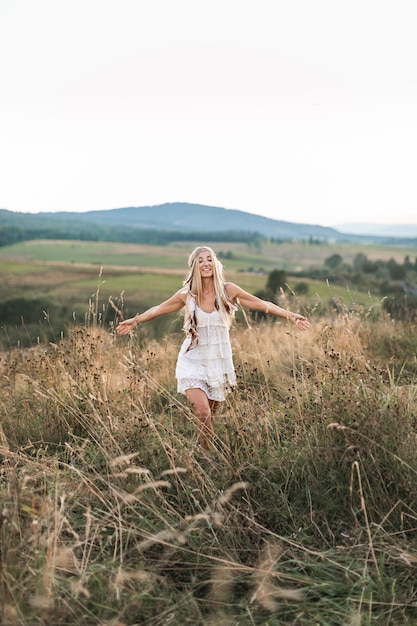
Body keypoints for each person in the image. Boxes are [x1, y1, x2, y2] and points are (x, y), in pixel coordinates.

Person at [116, 246, 310, 449]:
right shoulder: (187, 295)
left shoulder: (228, 291)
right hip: (192, 359)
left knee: (208, 415)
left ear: (216, 264)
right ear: (194, 268)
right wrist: (135, 321)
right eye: (200, 260)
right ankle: (209, 456)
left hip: (218, 361)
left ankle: (200, 448)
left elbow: (263, 304)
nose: (206, 263)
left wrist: (291, 315)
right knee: (203, 412)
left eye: (209, 259)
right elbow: (159, 308)